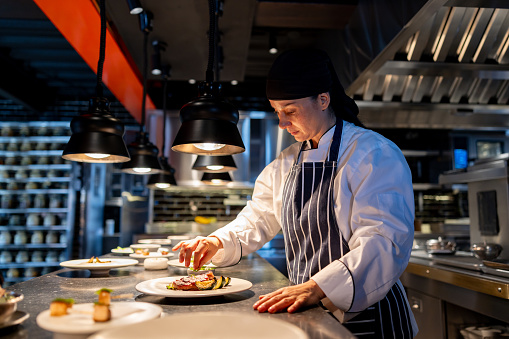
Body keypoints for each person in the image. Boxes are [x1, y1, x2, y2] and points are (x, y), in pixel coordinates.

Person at [173, 48, 418, 338]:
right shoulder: (287, 161)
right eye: (277, 112)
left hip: (370, 317)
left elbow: (383, 241)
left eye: (290, 111)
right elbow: (258, 217)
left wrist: (318, 287)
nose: (282, 123)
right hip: (309, 310)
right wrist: (216, 241)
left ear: (323, 100)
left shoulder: (373, 153)